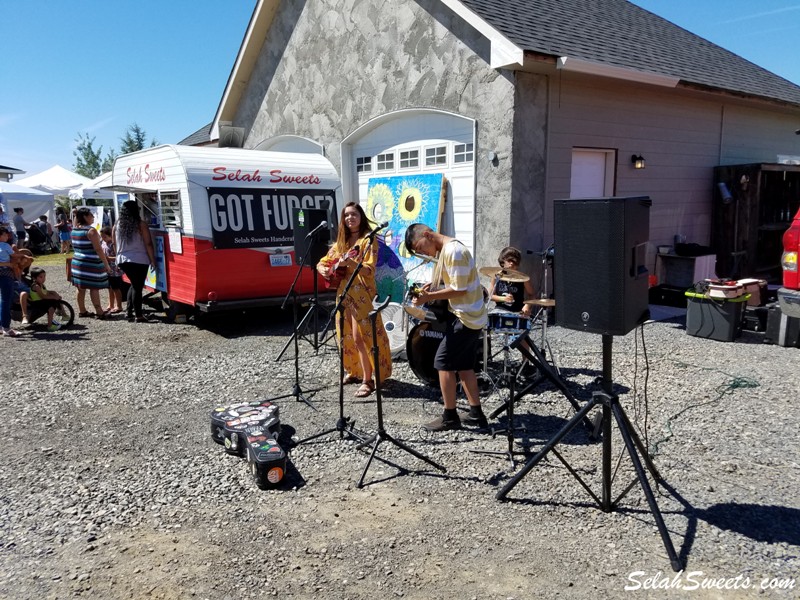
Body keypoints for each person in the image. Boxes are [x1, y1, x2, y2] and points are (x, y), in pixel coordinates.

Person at [405, 224, 489, 431]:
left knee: (442, 363)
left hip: (465, 317)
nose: (422, 253)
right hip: (471, 315)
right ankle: (476, 414)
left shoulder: (453, 251)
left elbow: (459, 289)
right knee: (464, 365)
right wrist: (434, 287)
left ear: (427, 235)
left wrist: (429, 296)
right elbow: (459, 283)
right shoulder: (448, 250)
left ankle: (450, 416)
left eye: (419, 247)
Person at [316, 201, 392, 397]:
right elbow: (324, 261)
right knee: (346, 336)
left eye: (354, 214)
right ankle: (356, 372)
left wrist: (349, 261)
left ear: (361, 217)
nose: (350, 218)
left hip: (362, 295)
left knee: (362, 337)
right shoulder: (342, 241)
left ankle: (369, 380)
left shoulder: (368, 240)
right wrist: (322, 268)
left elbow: (369, 270)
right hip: (343, 293)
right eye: (347, 215)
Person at [113, 201, 156, 323]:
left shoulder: (116, 225)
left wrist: (117, 258)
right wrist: (152, 260)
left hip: (123, 259)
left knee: (134, 284)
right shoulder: (141, 224)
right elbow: (148, 243)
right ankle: (139, 314)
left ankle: (129, 311)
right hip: (139, 259)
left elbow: (114, 244)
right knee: (138, 286)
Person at [70, 207, 112, 318]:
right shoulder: (91, 231)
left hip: (77, 261)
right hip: (91, 263)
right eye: (91, 215)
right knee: (94, 287)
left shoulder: (74, 229)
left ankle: (82, 310)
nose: (93, 217)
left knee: (80, 288)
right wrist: (106, 264)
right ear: (85, 217)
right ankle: (99, 312)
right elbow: (98, 249)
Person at [0, 227, 21, 337]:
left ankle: (1, 325)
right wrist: (24, 255)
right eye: (5, 235)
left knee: (1, 300)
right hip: (5, 274)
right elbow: (14, 255)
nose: (7, 236)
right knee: (6, 301)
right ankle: (6, 328)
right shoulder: (5, 246)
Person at [26, 267, 62, 332]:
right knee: (50, 309)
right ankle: (49, 326)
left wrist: (53, 293)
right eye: (41, 277)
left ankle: (61, 314)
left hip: (41, 301)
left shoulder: (42, 285)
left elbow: (46, 292)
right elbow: (43, 296)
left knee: (54, 302)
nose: (43, 279)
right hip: (37, 303)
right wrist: (54, 297)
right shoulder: (36, 286)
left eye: (44, 276)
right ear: (34, 278)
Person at [100, 226, 124, 314]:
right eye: (102, 237)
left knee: (116, 288)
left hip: (115, 270)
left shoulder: (114, 244)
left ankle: (119, 306)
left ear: (111, 235)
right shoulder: (103, 243)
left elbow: (119, 256)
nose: (103, 239)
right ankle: (110, 304)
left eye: (105, 237)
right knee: (110, 288)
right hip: (107, 269)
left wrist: (108, 258)